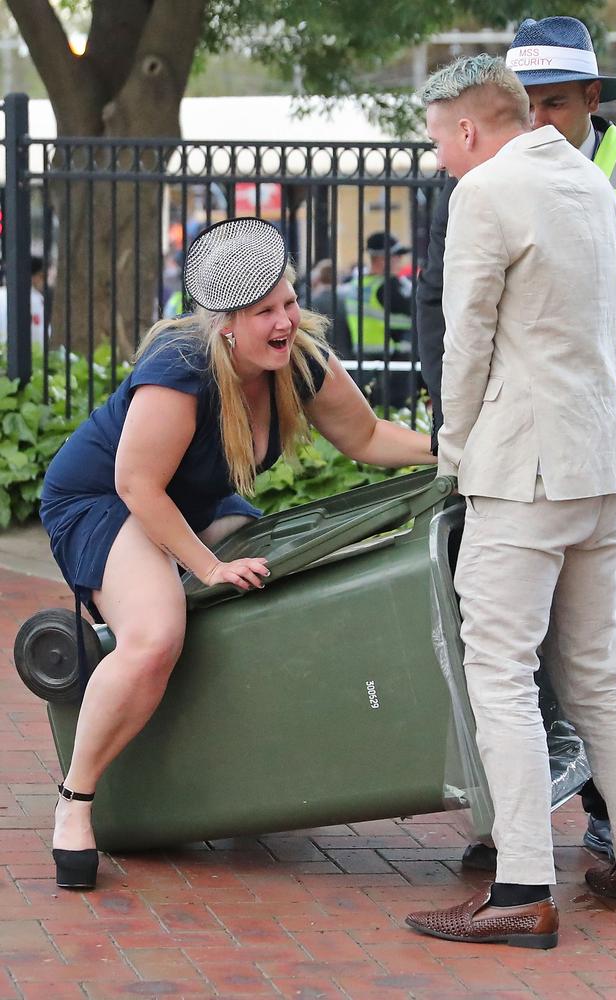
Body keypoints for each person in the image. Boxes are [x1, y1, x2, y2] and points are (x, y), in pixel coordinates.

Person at [39, 216, 436, 891]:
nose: (285, 321)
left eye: (287, 303)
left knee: (283, 582)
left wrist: (459, 450)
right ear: (226, 323)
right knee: (158, 632)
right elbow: (136, 483)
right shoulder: (182, 368)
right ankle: (75, 803)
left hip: (193, 499)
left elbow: (367, 437)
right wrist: (207, 567)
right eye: (265, 314)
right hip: (103, 500)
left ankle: (247, 766)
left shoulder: (300, 356)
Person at [405, 54, 616, 950]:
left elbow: (464, 339)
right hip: (603, 462)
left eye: (438, 140)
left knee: (499, 671)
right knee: (598, 670)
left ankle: (519, 888)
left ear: (469, 127)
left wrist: (455, 450)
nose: (438, 160)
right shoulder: (588, 178)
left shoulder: (488, 191)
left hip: (525, 468)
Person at [341, 232, 414, 407]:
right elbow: (417, 311)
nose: (400, 260)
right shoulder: (390, 286)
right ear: (382, 258)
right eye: (397, 256)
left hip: (362, 359)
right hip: (394, 360)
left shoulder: (358, 284)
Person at [0, 254, 49, 348]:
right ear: (34, 276)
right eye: (42, 276)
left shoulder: (2, 293)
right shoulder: (34, 299)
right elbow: (39, 334)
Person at [307, 258, 352, 358]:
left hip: (320, 356)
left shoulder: (312, 301)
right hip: (347, 354)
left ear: (318, 278)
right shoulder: (346, 300)